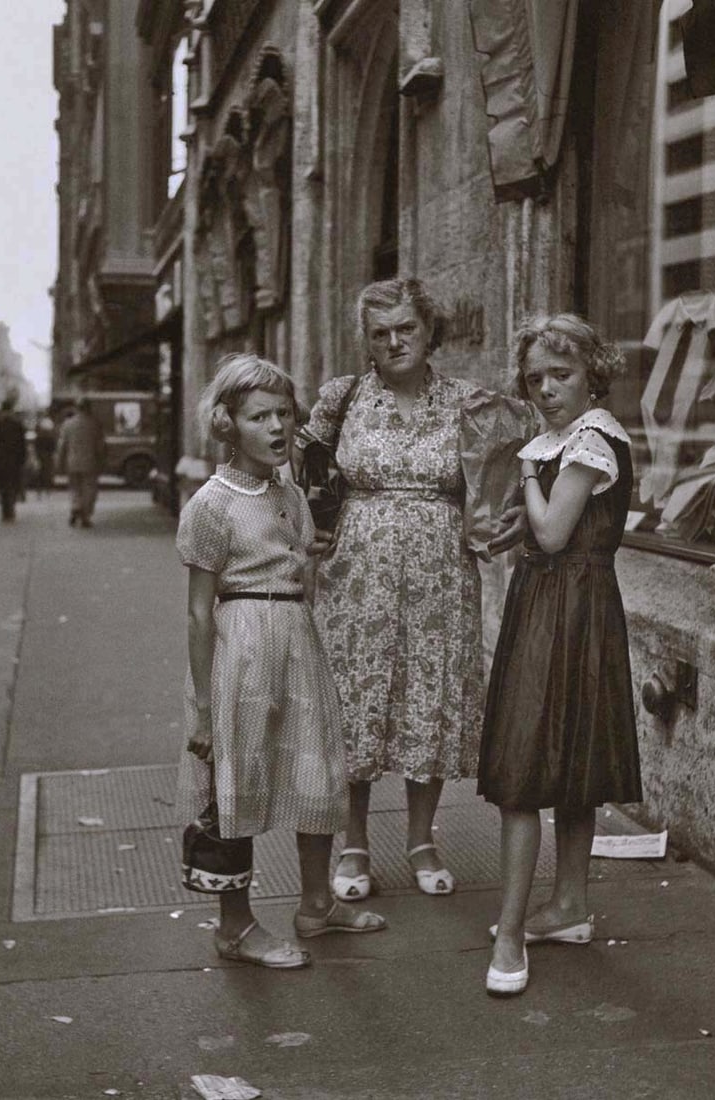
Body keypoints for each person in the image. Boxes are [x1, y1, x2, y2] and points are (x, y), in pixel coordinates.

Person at [178, 353, 386, 969]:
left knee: (317, 769)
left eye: (284, 414)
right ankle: (235, 927)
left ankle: (317, 905)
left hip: (296, 637)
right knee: (236, 780)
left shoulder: (288, 491)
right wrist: (205, 705)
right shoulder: (211, 504)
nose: (277, 428)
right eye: (259, 416)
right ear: (227, 424)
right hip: (240, 646)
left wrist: (311, 556)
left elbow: (297, 571)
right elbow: (197, 611)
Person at [301, 277, 485, 901]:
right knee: (355, 702)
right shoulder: (343, 397)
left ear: (431, 330)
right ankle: (353, 845)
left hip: (441, 576)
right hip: (357, 577)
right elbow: (304, 467)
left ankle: (420, 838)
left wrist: (496, 523)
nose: (394, 341)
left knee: (426, 700)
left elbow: (502, 480)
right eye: (380, 334)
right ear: (367, 344)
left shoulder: (468, 403)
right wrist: (311, 528)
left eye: (406, 328)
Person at [479, 313, 643, 998]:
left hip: (568, 607)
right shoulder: (563, 441)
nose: (546, 388)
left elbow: (551, 533)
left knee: (523, 771)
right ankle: (569, 906)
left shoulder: (593, 439)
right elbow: (533, 528)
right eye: (535, 377)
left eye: (561, 374)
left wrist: (524, 473)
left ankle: (513, 934)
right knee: (571, 765)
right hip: (559, 604)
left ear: (592, 374)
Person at [55, 399, 106, 528]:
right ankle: (85, 515)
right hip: (90, 462)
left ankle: (75, 506)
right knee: (89, 489)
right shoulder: (94, 424)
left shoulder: (68, 424)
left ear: (77, 408)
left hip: (72, 462)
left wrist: (59, 461)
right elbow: (100, 446)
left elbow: (62, 445)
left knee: (74, 488)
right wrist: (101, 460)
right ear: (89, 408)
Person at [0, 398, 27, 522]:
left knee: (3, 486)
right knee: (13, 484)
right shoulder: (18, 424)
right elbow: (22, 444)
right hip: (14, 459)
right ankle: (11, 508)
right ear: (11, 410)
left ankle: (6, 511)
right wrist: (23, 458)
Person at [33, 415, 56, 495]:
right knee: (47, 473)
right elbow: (53, 448)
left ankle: (40, 490)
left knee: (40, 474)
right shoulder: (50, 438)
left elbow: (36, 448)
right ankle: (47, 489)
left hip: (40, 456)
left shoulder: (39, 438)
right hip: (47, 457)